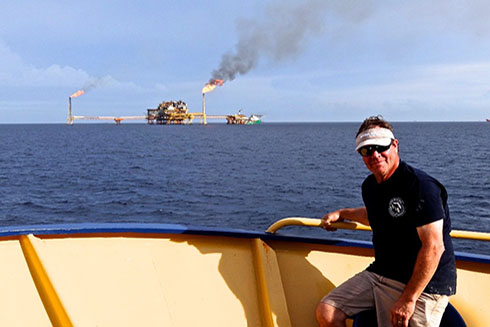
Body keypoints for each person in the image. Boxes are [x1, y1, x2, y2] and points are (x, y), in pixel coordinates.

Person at [315, 116, 456, 327]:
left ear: (395, 145)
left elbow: (434, 247)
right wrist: (342, 213)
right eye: (366, 150)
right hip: (382, 272)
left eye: (381, 147)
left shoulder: (420, 186)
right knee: (328, 311)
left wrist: (408, 299)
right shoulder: (370, 186)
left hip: (425, 285)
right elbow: (376, 215)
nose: (375, 155)